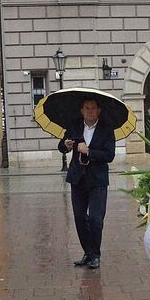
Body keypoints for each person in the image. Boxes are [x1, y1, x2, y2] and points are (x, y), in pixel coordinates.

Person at [59, 98, 116, 270]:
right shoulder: (75, 125)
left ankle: (95, 254)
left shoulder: (106, 129)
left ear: (98, 111)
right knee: (79, 218)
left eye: (93, 108)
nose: (89, 111)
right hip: (78, 179)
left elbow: (109, 155)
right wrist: (66, 145)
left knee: (95, 219)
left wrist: (89, 151)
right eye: (86, 108)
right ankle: (88, 253)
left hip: (97, 180)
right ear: (81, 111)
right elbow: (61, 146)